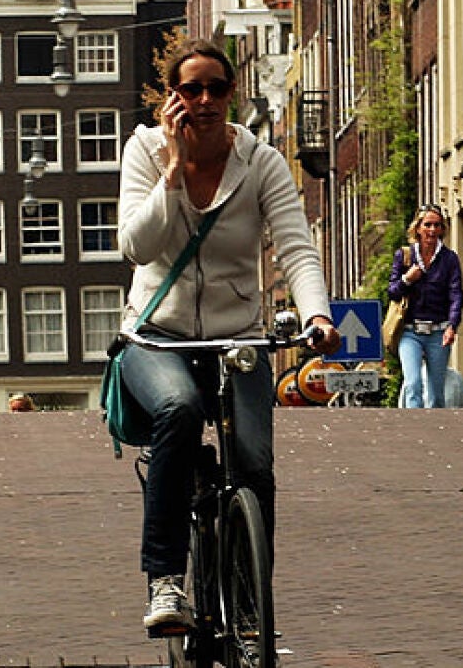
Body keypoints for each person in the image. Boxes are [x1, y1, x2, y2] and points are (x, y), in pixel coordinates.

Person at [115, 39, 340, 636]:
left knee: (255, 464)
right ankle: (166, 581)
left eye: (217, 87)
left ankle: (247, 599)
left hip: (236, 335)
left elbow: (295, 246)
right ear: (173, 97)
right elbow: (136, 247)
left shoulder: (260, 161)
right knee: (179, 409)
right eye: (192, 89)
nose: (206, 100)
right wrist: (169, 172)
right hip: (155, 336)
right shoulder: (142, 150)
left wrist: (316, 316)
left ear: (231, 93)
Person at [387, 205, 463, 409]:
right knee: (413, 384)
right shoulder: (404, 256)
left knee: (437, 393)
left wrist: (452, 326)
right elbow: (392, 292)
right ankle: (416, 430)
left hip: (438, 331)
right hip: (410, 331)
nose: (432, 230)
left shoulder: (449, 259)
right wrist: (407, 279)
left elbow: (456, 294)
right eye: (427, 224)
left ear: (442, 229)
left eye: (437, 225)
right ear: (418, 228)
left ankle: (435, 432)